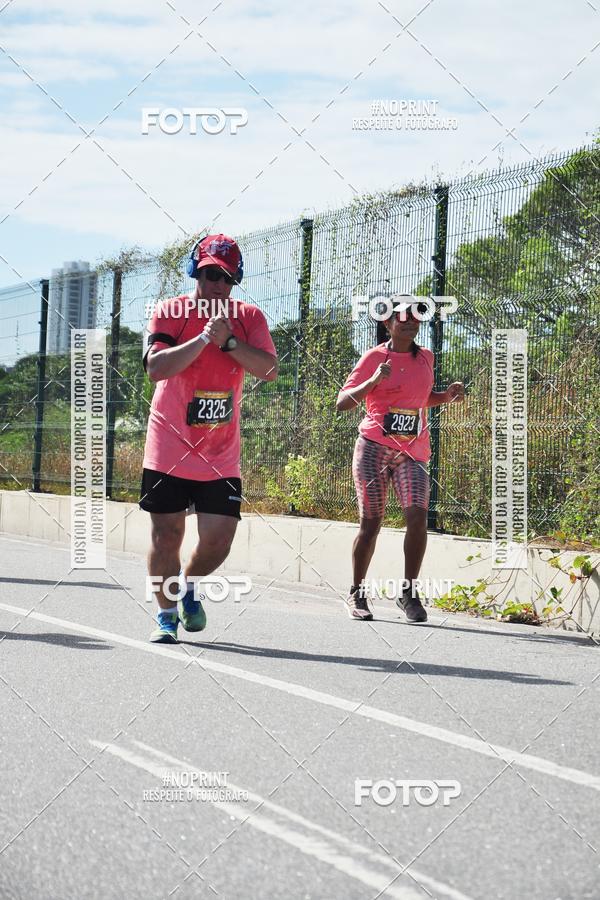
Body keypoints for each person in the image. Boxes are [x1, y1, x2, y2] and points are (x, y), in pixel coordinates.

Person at [141, 233, 278, 643]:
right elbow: (156, 369)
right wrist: (202, 339)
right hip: (168, 445)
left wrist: (230, 342)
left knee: (218, 541)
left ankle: (187, 584)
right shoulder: (170, 311)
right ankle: (166, 618)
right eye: (210, 274)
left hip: (219, 452)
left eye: (227, 277)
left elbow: (268, 369)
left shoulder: (249, 317)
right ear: (195, 272)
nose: (218, 284)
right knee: (167, 536)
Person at [336, 298, 464, 623]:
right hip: (375, 447)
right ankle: (357, 591)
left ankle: (408, 593)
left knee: (418, 517)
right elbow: (342, 403)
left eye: (415, 316)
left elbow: (422, 400)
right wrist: (373, 380)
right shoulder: (374, 358)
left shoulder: (427, 358)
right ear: (388, 323)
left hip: (412, 451)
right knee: (371, 523)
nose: (409, 321)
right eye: (401, 316)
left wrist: (447, 396)